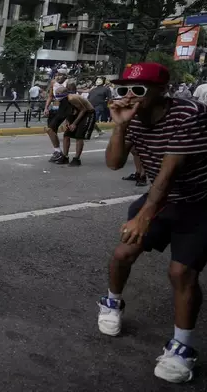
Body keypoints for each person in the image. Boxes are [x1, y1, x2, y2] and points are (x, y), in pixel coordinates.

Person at [99, 62, 207, 383]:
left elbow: (168, 173)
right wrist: (119, 126)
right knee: (122, 253)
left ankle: (182, 348)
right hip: (165, 201)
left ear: (162, 92)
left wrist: (144, 217)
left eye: (139, 90)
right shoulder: (132, 118)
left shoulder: (188, 115)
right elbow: (115, 163)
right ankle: (111, 303)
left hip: (200, 202)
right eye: (124, 89)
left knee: (182, 272)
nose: (129, 96)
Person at [49, 83, 96, 166]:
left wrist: (74, 124)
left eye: (58, 93)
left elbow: (83, 110)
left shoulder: (71, 98)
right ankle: (65, 157)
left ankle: (76, 159)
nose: (56, 95)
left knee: (79, 136)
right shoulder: (63, 100)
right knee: (66, 135)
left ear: (63, 94)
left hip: (87, 113)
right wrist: (67, 122)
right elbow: (67, 111)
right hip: (76, 113)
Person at [43, 68, 70, 164]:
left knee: (50, 129)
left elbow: (72, 98)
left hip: (64, 108)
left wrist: (69, 118)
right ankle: (57, 151)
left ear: (65, 76)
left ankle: (58, 151)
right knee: (51, 131)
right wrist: (46, 107)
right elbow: (50, 96)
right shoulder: (53, 82)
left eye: (61, 74)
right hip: (54, 108)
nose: (58, 76)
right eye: (57, 74)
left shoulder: (69, 83)